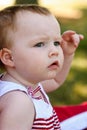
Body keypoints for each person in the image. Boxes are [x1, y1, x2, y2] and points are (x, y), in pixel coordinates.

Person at [0, 4, 83, 130]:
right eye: (39, 44)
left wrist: (67, 53)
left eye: (56, 43)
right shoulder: (18, 102)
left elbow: (56, 81)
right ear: (9, 58)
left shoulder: (27, 83)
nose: (54, 51)